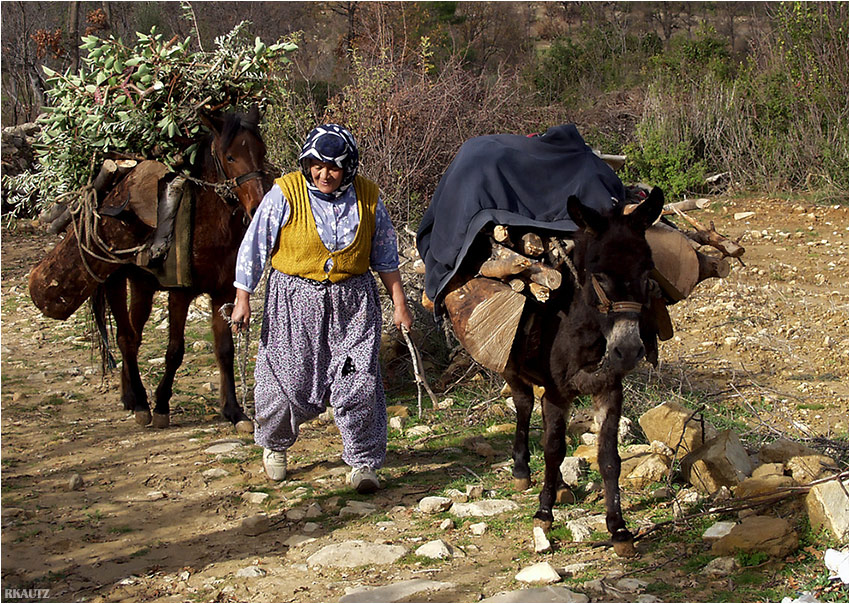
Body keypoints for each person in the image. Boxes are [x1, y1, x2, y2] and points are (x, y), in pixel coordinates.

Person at [230, 124, 413, 494]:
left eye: (334, 168)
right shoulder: (285, 193)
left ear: (349, 168)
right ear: (306, 163)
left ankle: (363, 462)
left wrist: (400, 304)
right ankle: (276, 445)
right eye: (317, 165)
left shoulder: (368, 197)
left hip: (353, 306)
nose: (324, 175)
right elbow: (255, 246)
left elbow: (385, 258)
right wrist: (242, 297)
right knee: (284, 383)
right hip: (293, 306)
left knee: (358, 382)